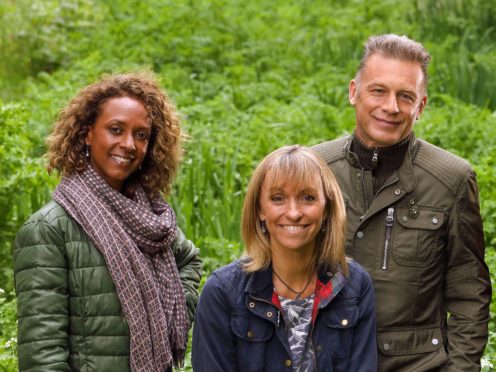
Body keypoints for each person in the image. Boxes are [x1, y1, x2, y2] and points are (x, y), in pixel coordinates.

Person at [313, 34, 492, 371]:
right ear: (354, 92)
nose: (391, 107)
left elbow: (470, 294)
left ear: (420, 106)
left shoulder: (451, 179)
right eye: (378, 90)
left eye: (405, 96)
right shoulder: (314, 170)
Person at [13, 72, 202, 371]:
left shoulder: (148, 217)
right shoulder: (49, 229)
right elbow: (42, 356)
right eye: (116, 129)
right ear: (88, 133)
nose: (129, 144)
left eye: (141, 135)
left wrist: (169, 314)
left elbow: (188, 260)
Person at [192, 145, 377, 372]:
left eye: (308, 198)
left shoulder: (354, 286)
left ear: (326, 208)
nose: (293, 212)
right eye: (278, 198)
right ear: (260, 209)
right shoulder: (222, 293)